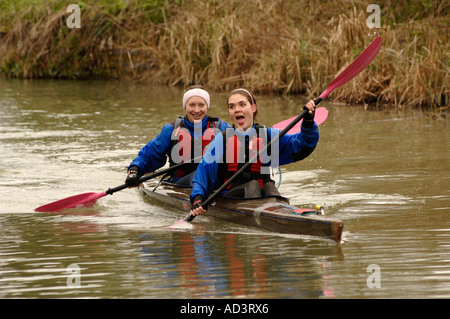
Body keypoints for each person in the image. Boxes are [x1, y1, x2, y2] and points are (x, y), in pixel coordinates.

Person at [189, 88, 318, 216]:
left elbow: (302, 146)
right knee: (253, 185)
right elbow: (203, 174)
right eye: (232, 106)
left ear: (253, 108)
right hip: (230, 199)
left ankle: (284, 216)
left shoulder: (269, 136)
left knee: (269, 187)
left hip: (265, 197)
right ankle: (266, 218)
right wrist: (197, 199)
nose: (237, 109)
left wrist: (308, 123)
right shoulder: (221, 140)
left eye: (242, 104)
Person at [125, 86, 230, 187]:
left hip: (213, 184)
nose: (197, 110)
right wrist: (134, 171)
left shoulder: (223, 128)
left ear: (207, 106)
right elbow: (148, 156)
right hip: (181, 184)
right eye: (192, 105)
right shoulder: (171, 130)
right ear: (185, 106)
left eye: (201, 105)